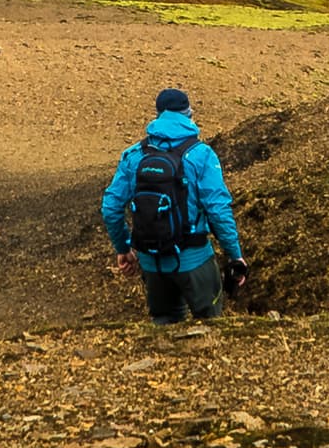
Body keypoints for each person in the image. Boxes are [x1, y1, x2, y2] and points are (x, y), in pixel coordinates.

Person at [102, 85, 244, 324]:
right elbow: (218, 211)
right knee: (210, 323)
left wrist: (124, 247)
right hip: (195, 259)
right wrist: (235, 255)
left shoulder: (134, 155)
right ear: (189, 115)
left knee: (165, 323)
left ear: (158, 115)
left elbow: (110, 207)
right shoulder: (202, 155)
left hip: (151, 263)